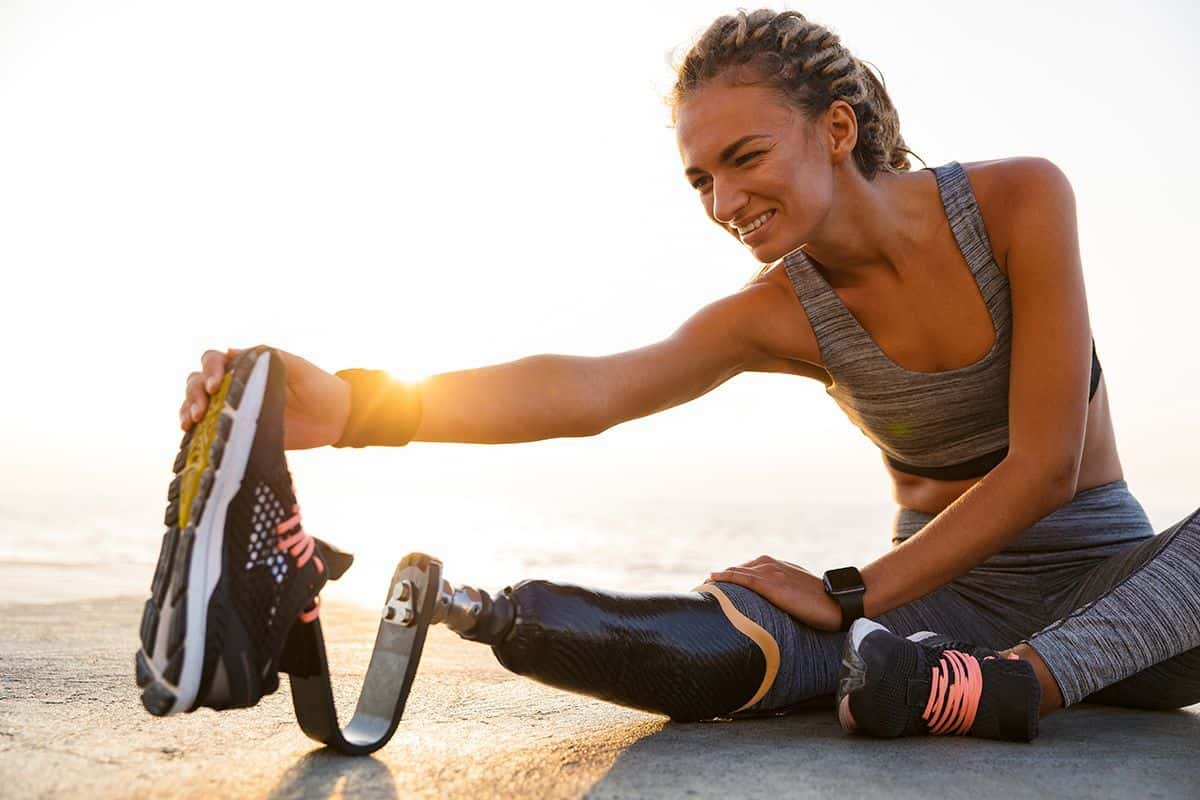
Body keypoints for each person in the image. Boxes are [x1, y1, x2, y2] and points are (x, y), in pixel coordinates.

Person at [140, 9, 1200, 740]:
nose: (723, 201)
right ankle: (477, 609)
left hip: (1123, 597)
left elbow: (1049, 462)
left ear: (836, 131)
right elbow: (592, 387)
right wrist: (359, 406)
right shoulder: (779, 312)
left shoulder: (1018, 204)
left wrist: (852, 593)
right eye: (699, 178)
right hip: (927, 626)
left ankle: (1009, 689)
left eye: (745, 157)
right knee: (745, 634)